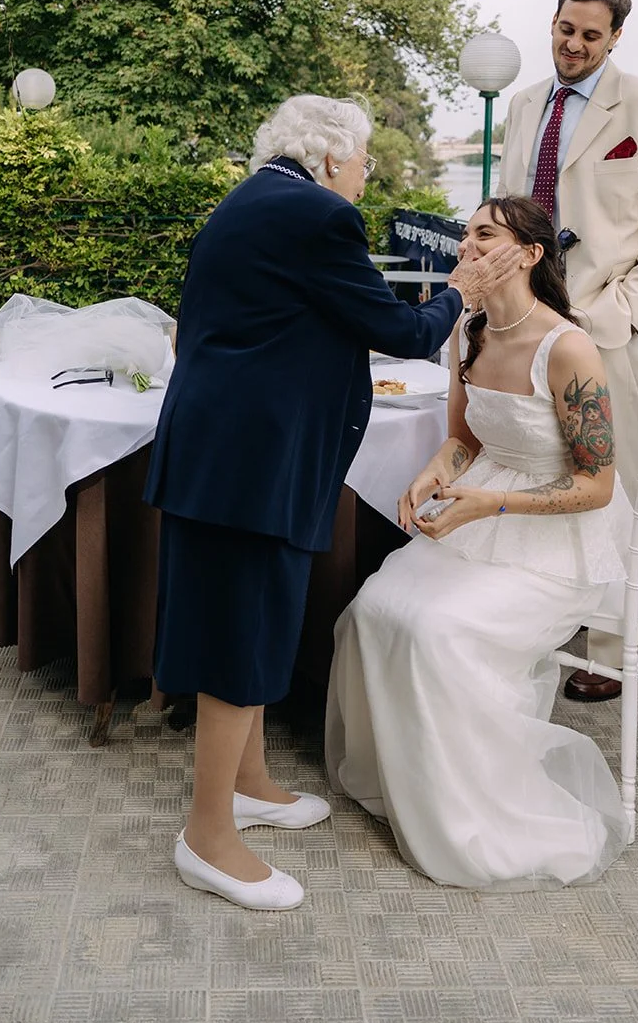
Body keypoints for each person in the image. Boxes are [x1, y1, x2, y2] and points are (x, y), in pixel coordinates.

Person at [145, 94, 520, 911]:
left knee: (255, 624)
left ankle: (246, 786)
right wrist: (459, 290)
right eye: (362, 161)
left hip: (227, 458)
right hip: (250, 468)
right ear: (327, 157)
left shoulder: (252, 201)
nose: (364, 175)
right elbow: (403, 331)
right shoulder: (315, 215)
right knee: (238, 638)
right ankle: (208, 837)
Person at [325, 196, 633, 889]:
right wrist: (431, 472)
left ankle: (471, 808)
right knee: (374, 608)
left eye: (484, 235)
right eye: (464, 234)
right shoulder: (465, 331)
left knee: (440, 631)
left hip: (558, 536)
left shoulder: (568, 347)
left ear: (528, 254)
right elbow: (464, 439)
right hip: (482, 508)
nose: (466, 245)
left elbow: (595, 486)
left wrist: (486, 504)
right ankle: (401, 782)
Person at [499, 0, 638, 699]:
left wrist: (623, 312)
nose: (574, 45)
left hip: (604, 332)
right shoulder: (524, 107)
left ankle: (616, 642)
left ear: (614, 37)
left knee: (609, 483)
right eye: (565, 30)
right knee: (533, 469)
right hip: (527, 325)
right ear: (551, 23)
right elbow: (508, 212)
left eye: (591, 35)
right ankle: (543, 622)